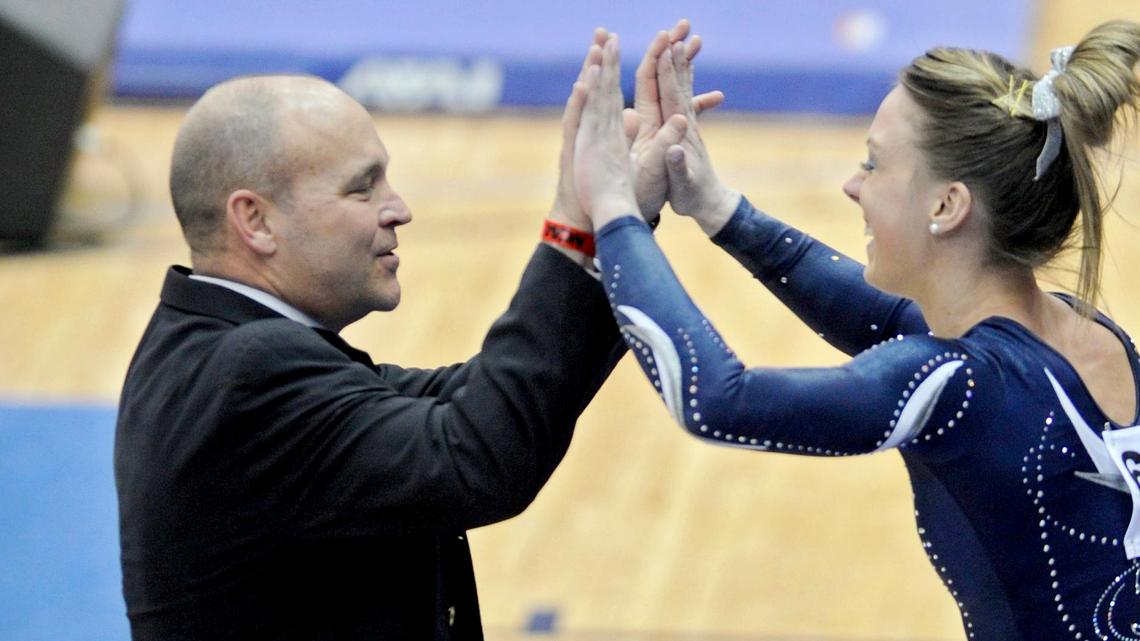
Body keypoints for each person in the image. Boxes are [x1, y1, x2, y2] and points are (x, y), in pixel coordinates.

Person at [112, 24, 722, 640]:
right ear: (256, 221)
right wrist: (571, 221)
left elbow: (474, 402)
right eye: (362, 187)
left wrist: (617, 217)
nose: (398, 207)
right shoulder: (248, 374)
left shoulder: (210, 341)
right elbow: (479, 456)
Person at [573, 21, 1140, 640]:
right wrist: (714, 205)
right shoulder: (1088, 335)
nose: (852, 185)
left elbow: (716, 400)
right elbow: (889, 320)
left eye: (874, 165)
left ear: (946, 207)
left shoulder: (965, 386)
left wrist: (614, 213)